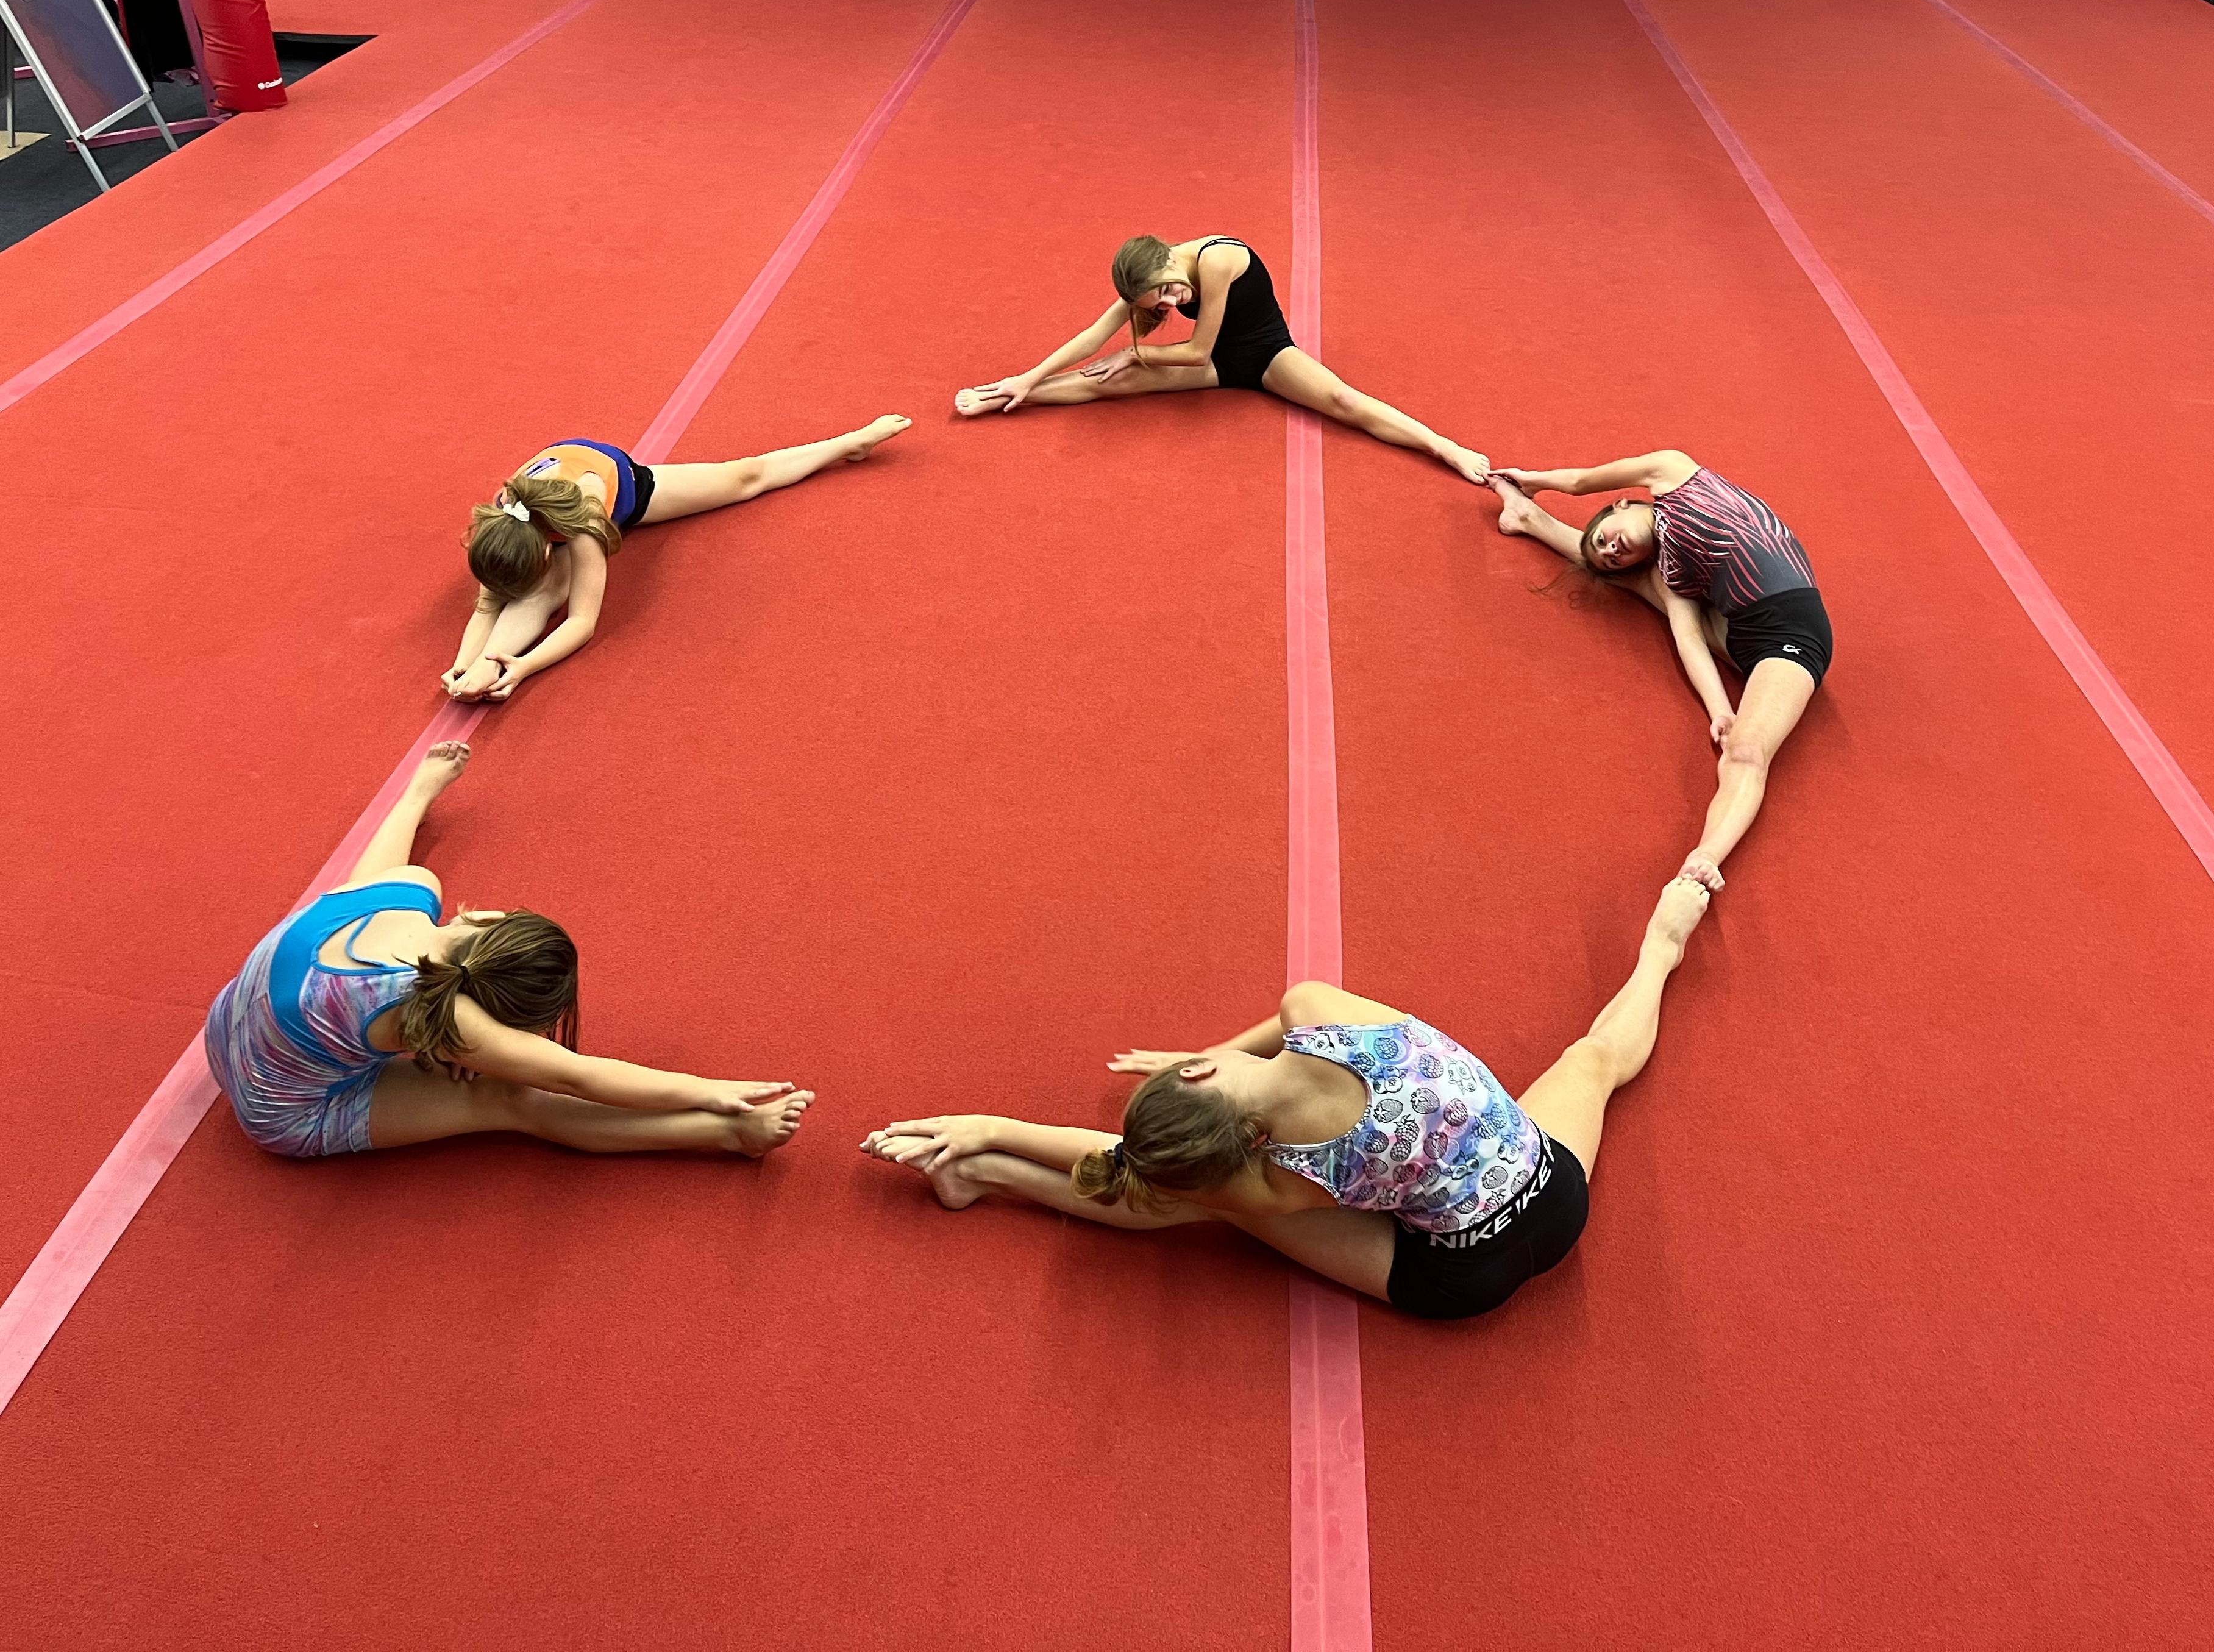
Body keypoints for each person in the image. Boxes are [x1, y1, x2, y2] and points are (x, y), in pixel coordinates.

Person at [862, 879, 1710, 1321]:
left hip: (1460, 1279)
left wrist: (995, 1123)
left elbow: (1140, 1178)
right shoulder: (1318, 1010)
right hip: (1554, 1196)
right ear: (1202, 1078)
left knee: (1200, 1211)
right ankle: (1663, 950)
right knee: (1593, 1059)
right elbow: (1278, 1034)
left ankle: (984, 1175)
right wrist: (1205, 1057)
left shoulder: (1287, 1179)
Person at [205, 741, 813, 1159]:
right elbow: (579, 1077)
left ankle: (723, 1130)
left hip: (226, 1027)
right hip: (279, 1108)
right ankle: (726, 1137)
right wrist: (712, 1091)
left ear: (488, 917)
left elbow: (378, 858)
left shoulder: (407, 895)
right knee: (511, 1098)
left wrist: (419, 793)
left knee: (412, 931)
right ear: (491, 1015)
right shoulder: (446, 1017)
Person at [1488, 450, 1830, 891]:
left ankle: (1529, 514)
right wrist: (1721, 710)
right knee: (1742, 745)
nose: (1612, 548)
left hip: (1794, 634)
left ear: (1621, 504)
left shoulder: (1672, 471)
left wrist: (1530, 479)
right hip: (1741, 638)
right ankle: (1705, 859)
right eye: (1610, 555)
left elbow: (1578, 480)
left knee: (1748, 749)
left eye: (1606, 538)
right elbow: (1687, 639)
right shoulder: (1673, 577)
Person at [952, 234, 1490, 483]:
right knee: (1100, 381)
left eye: (1165, 292)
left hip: (1266, 355)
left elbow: (1197, 351)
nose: (1167, 304)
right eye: (1154, 304)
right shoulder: (1149, 280)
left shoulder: (1218, 259)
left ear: (1167, 258)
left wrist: (1138, 353)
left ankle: (1446, 447)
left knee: (1344, 400)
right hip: (1206, 363)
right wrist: (1026, 376)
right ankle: (1008, 397)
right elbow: (1094, 335)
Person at [444, 418, 910, 702]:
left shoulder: (583, 524)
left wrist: (525, 667)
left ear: (548, 548)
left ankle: (851, 441)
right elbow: (488, 602)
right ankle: (485, 668)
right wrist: (463, 662)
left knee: (747, 477)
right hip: (553, 498)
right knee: (535, 591)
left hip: (621, 485)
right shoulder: (500, 517)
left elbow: (582, 622)